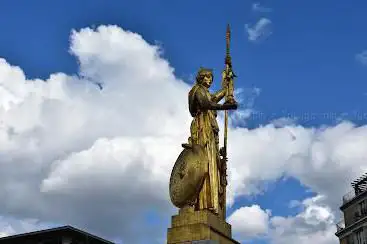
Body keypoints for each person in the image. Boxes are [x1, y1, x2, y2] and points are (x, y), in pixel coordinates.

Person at [187, 67, 237, 217]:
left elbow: (213, 99)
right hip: (202, 128)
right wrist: (224, 107)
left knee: (212, 165)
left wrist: (226, 86)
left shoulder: (207, 93)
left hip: (210, 130)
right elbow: (205, 104)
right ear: (201, 78)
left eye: (211, 78)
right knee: (205, 164)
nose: (209, 80)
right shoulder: (196, 90)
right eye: (207, 77)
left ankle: (211, 203)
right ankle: (201, 202)